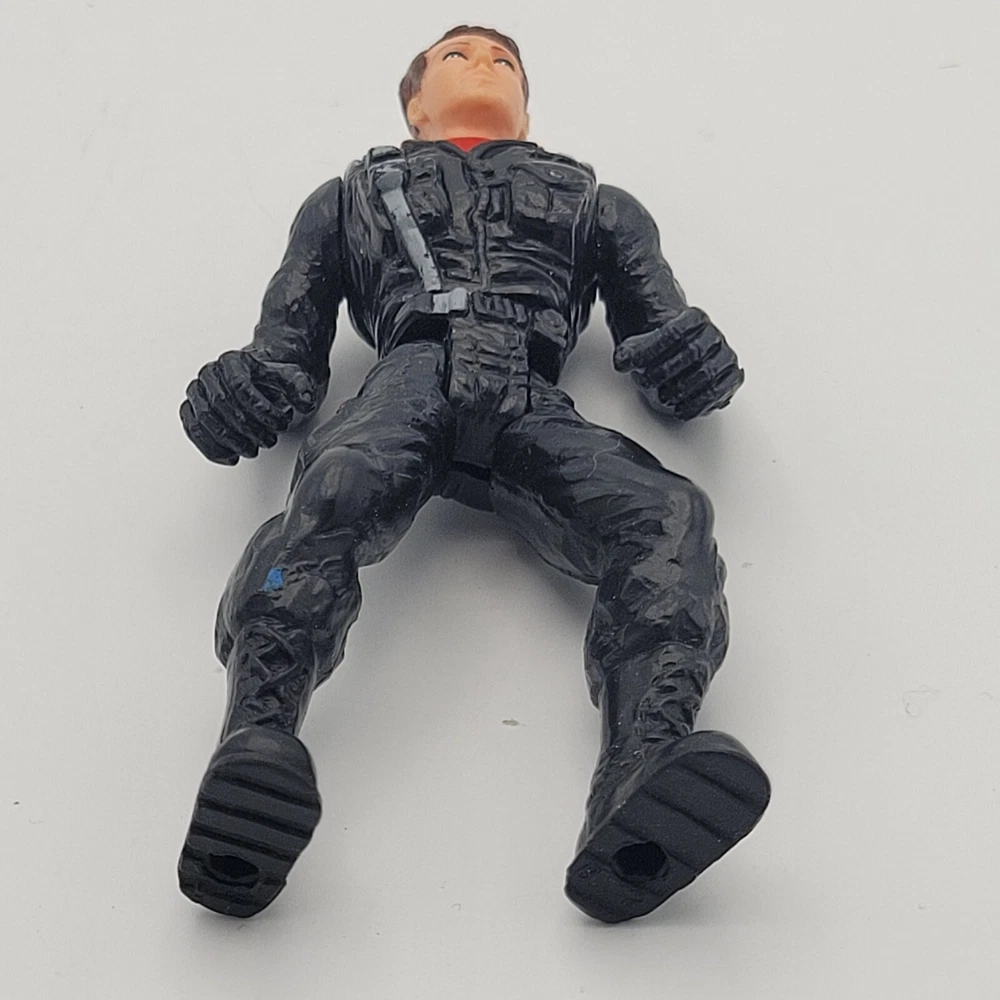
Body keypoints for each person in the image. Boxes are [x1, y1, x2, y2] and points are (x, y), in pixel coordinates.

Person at [177, 24, 770, 923]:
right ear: (414, 104)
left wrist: (692, 361)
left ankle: (644, 764)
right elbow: (288, 351)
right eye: (457, 57)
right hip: (411, 375)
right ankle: (255, 738)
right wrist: (244, 390)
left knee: (670, 516)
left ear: (527, 108)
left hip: (528, 389)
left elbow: (658, 333)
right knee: (331, 495)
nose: (484, 66)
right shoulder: (350, 197)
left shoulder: (596, 204)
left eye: (505, 63)